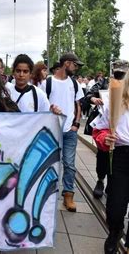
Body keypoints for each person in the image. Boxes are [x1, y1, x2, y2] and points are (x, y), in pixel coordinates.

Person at [92, 60, 129, 254]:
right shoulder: (117, 100)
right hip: (120, 156)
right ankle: (115, 230)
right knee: (115, 207)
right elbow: (98, 129)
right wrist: (105, 138)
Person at [40, 52, 84, 212]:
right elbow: (42, 105)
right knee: (48, 164)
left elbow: (77, 104)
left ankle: (68, 195)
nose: (76, 67)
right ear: (66, 63)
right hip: (51, 131)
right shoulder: (47, 83)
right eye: (75, 64)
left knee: (69, 164)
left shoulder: (74, 83)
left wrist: (76, 124)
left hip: (69, 131)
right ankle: (45, 195)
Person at [84, 59, 129, 199]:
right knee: (103, 156)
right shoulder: (103, 82)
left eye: (122, 72)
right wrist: (94, 99)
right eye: (117, 72)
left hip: (123, 130)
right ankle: (100, 180)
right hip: (105, 125)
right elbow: (89, 95)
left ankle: (113, 183)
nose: (119, 76)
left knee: (117, 159)